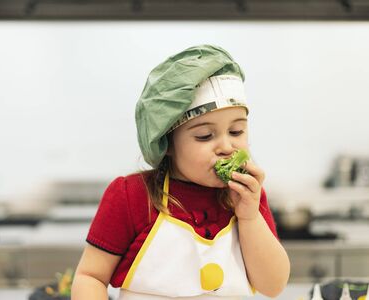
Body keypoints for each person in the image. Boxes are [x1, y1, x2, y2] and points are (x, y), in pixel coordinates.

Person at [72, 44, 290, 300]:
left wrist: (250, 217)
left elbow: (273, 286)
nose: (226, 147)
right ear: (167, 143)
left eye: (236, 131)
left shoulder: (247, 196)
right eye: (205, 135)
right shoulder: (131, 197)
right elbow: (91, 277)